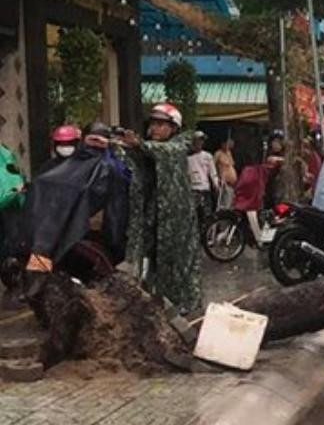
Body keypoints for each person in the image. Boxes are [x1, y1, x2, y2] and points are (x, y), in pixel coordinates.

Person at [120, 103, 202, 313]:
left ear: (173, 128)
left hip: (177, 226)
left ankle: (186, 313)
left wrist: (140, 145)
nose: (155, 129)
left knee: (180, 273)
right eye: (153, 124)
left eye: (161, 124)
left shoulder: (179, 144)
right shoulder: (148, 149)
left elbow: (168, 151)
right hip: (151, 222)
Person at [25, 122, 129, 281]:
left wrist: (114, 240)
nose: (95, 145)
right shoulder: (58, 167)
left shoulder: (110, 168)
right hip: (52, 233)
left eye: (100, 141)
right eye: (92, 140)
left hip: (85, 232)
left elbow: (113, 208)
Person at [187, 131, 220, 228]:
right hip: (193, 189)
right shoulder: (188, 158)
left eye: (202, 141)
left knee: (206, 215)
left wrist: (216, 184)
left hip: (205, 188)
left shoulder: (207, 156)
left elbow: (213, 172)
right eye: (198, 141)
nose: (200, 143)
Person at [213, 136, 238, 209]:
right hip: (224, 182)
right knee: (224, 204)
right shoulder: (218, 153)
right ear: (223, 143)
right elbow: (213, 167)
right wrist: (217, 179)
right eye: (228, 142)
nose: (230, 144)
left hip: (232, 184)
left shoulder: (229, 153)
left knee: (230, 204)